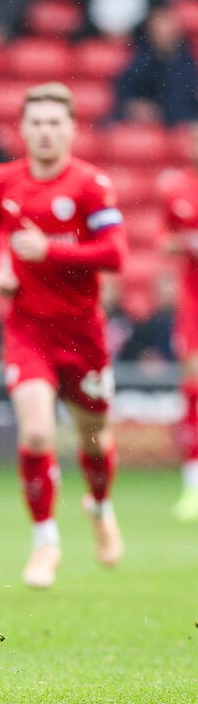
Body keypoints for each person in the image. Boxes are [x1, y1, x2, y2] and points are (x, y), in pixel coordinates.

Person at [0, 82, 127, 589]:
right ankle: (46, 543)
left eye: (54, 123)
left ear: (70, 129)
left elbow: (115, 255)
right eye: (36, 123)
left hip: (83, 331)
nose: (44, 132)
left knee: (93, 439)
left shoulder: (91, 186)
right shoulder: (2, 180)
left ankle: (100, 506)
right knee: (38, 433)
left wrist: (51, 252)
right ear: (22, 129)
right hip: (27, 329)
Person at [158, 126, 198, 520]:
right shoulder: (177, 189)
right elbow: (165, 236)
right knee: (194, 388)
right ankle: (193, 486)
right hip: (193, 304)